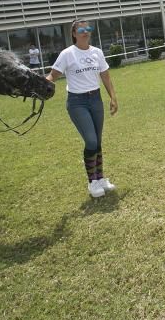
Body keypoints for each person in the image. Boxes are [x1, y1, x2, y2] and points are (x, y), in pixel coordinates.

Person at [45, 20, 119, 198]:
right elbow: (53, 75)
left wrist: (113, 97)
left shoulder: (97, 52)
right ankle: (92, 182)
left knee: (98, 142)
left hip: (96, 99)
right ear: (74, 34)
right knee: (91, 141)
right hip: (77, 102)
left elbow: (106, 76)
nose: (85, 32)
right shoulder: (67, 54)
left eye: (88, 29)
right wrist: (38, 86)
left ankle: (101, 179)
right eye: (81, 29)